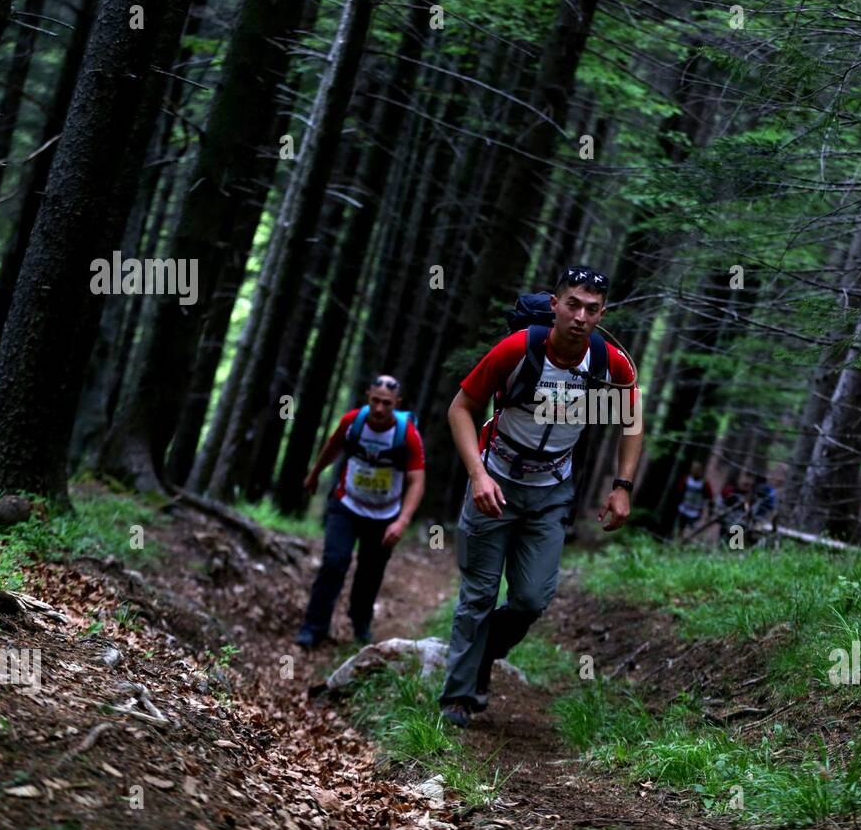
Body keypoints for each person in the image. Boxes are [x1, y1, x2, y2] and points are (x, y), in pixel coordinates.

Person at [438, 265, 643, 727]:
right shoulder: (520, 349)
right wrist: (477, 475)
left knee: (531, 599)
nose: (580, 316)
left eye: (591, 309)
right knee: (479, 594)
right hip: (496, 482)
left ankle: (484, 653)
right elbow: (461, 408)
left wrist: (622, 486)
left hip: (552, 491)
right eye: (572, 304)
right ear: (555, 305)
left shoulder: (609, 363)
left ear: (601, 314)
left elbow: (631, 422)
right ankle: (458, 697)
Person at [294, 375, 425, 649]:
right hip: (347, 505)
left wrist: (402, 521)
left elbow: (417, 480)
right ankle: (313, 628)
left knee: (370, 571)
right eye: (375, 401)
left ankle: (360, 623)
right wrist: (314, 474)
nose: (379, 409)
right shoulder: (352, 421)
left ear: (396, 403)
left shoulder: (407, 434)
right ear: (367, 396)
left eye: (386, 404)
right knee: (334, 562)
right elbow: (332, 448)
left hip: (385, 514)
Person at [674, 460, 714, 539]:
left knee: (689, 530)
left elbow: (710, 498)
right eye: (693, 469)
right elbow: (679, 493)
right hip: (683, 508)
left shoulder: (704, 483)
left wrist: (710, 513)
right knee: (680, 529)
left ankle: (685, 543)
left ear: (701, 471)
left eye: (697, 469)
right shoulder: (686, 480)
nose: (695, 471)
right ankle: (678, 542)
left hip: (695, 512)